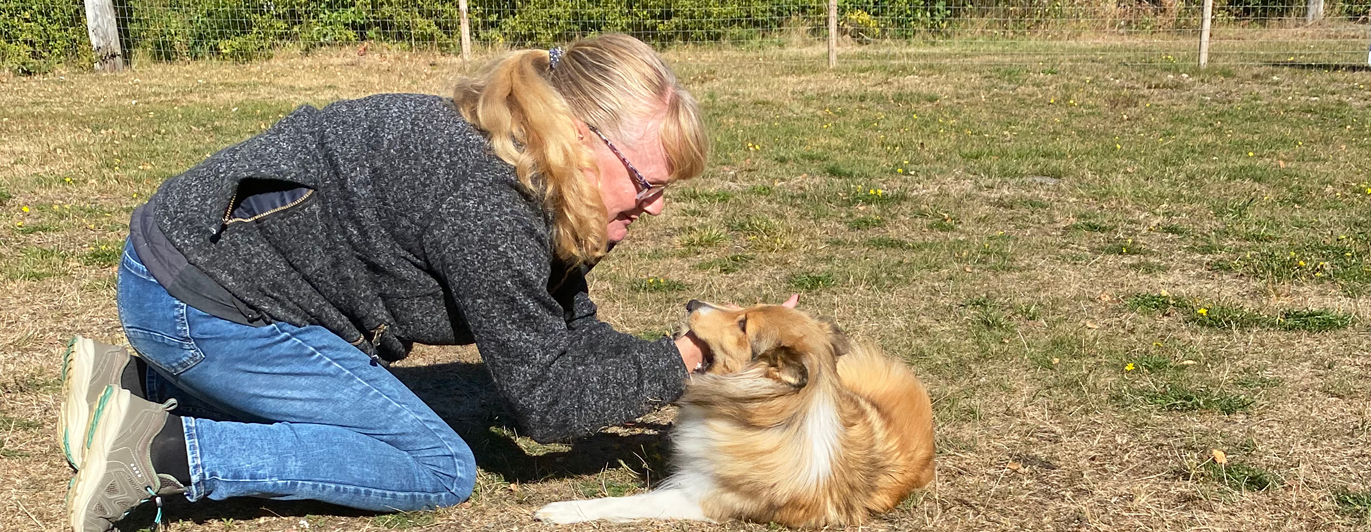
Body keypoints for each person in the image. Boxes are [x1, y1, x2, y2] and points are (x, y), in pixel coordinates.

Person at [58, 33, 729, 532]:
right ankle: (164, 450)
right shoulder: (489, 203)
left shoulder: (530, 167)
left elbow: (569, 332)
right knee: (435, 466)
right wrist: (688, 360)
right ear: (584, 139)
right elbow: (545, 405)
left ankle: (133, 388)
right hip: (201, 306)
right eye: (648, 184)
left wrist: (679, 355)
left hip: (181, 276)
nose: (658, 206)